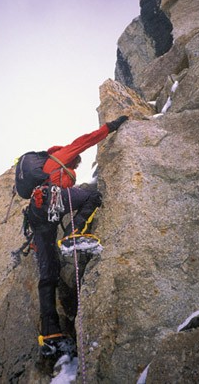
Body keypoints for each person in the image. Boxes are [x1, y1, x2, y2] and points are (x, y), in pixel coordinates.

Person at [27, 115, 128, 356]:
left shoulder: (42, 170)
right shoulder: (62, 155)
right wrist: (111, 126)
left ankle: (50, 333)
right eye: (76, 165)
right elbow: (86, 140)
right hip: (51, 202)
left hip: (37, 215)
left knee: (48, 274)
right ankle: (73, 236)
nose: (75, 169)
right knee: (92, 196)